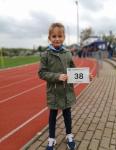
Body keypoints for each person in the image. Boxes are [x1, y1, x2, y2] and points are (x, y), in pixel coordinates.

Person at [38, 22, 76, 150]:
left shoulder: (68, 53)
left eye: (60, 36)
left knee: (67, 115)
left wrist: (86, 76)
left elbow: (74, 70)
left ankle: (69, 135)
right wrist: (57, 76)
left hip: (66, 91)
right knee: (52, 117)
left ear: (64, 37)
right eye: (54, 36)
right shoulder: (45, 55)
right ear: (49, 38)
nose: (57, 39)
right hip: (53, 92)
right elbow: (41, 73)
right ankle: (51, 139)